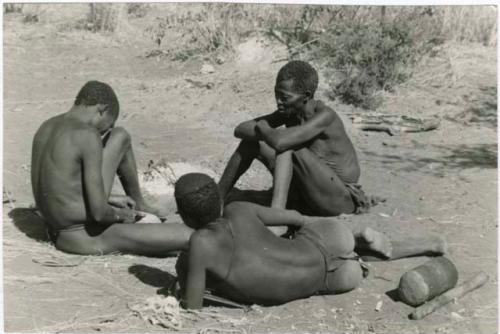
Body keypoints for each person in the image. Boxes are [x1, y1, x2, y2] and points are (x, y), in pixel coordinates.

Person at [174, 173, 446, 309]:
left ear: (184, 215)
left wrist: (184, 271)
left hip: (335, 281)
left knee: (355, 264)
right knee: (337, 247)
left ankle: (359, 255)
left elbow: (193, 306)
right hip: (328, 235)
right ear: (220, 200)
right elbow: (294, 217)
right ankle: (364, 240)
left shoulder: (201, 244)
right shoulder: (239, 209)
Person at [31, 81, 193, 255]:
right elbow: (99, 214)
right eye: (111, 122)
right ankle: (139, 211)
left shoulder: (46, 126)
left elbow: (63, 184)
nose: (110, 128)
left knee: (119, 136)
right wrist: (123, 215)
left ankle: (140, 203)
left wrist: (111, 199)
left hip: (56, 228)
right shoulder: (87, 134)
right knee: (189, 236)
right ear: (102, 110)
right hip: (83, 236)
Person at [218, 61, 370, 235]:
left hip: (339, 199)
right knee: (252, 143)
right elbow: (240, 129)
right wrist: (265, 129)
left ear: (305, 96)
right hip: (309, 195)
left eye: (285, 97)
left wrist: (264, 127)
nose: (278, 102)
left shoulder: (325, 116)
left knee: (288, 145)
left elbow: (281, 143)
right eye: (276, 95)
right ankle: (217, 199)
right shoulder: (290, 113)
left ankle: (277, 217)